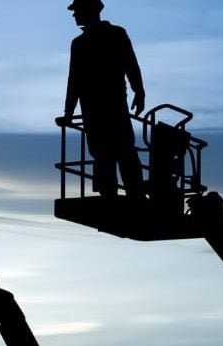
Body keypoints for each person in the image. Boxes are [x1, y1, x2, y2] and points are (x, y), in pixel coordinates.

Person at [61, 0, 145, 199]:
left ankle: (131, 194)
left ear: (89, 11)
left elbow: (130, 65)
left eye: (77, 11)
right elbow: (75, 80)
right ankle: (118, 194)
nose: (74, 15)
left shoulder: (115, 35)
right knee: (107, 153)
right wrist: (69, 112)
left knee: (120, 151)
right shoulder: (80, 43)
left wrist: (139, 91)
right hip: (97, 109)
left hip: (109, 107)